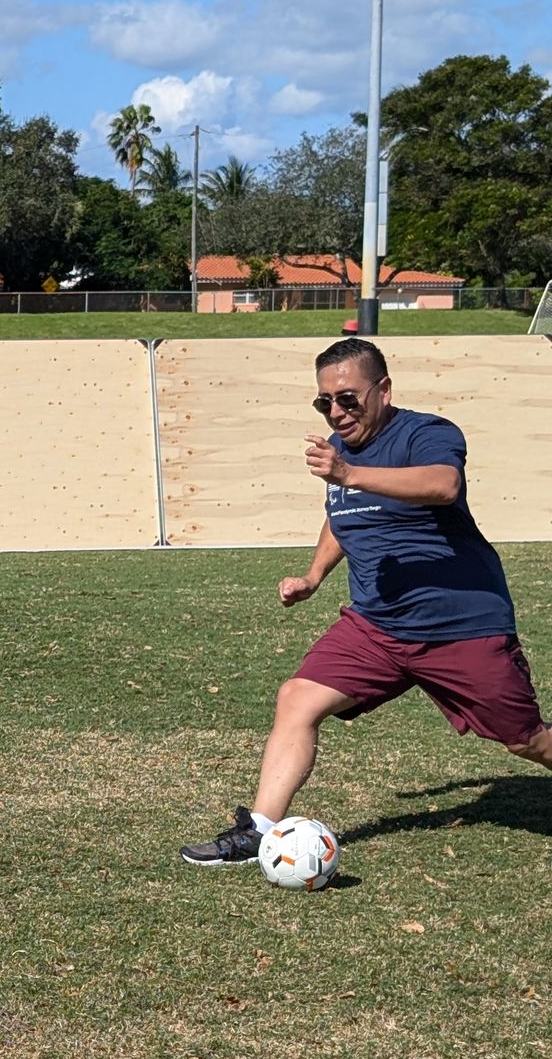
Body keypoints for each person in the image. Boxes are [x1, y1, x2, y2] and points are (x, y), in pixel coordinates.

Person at [180, 338, 551, 866]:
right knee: (297, 699)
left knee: (526, 741)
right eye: (324, 402)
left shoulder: (427, 433)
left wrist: (348, 473)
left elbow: (443, 485)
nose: (336, 411)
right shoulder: (340, 451)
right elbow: (344, 513)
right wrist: (313, 575)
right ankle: (259, 831)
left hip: (460, 627)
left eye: (348, 398)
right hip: (375, 626)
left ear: (383, 390)